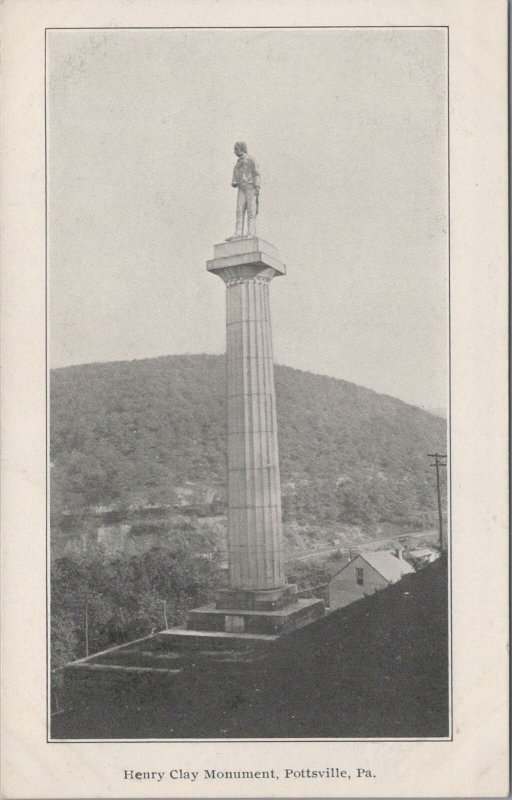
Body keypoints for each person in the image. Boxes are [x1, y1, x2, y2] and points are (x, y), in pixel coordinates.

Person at [226, 141, 260, 240]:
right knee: (239, 210)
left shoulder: (250, 159)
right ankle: (238, 233)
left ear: (242, 148)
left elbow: (256, 173)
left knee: (251, 210)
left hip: (250, 186)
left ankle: (251, 233)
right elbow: (235, 174)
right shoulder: (237, 163)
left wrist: (257, 186)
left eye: (236, 149)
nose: (234, 151)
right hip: (241, 187)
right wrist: (234, 181)